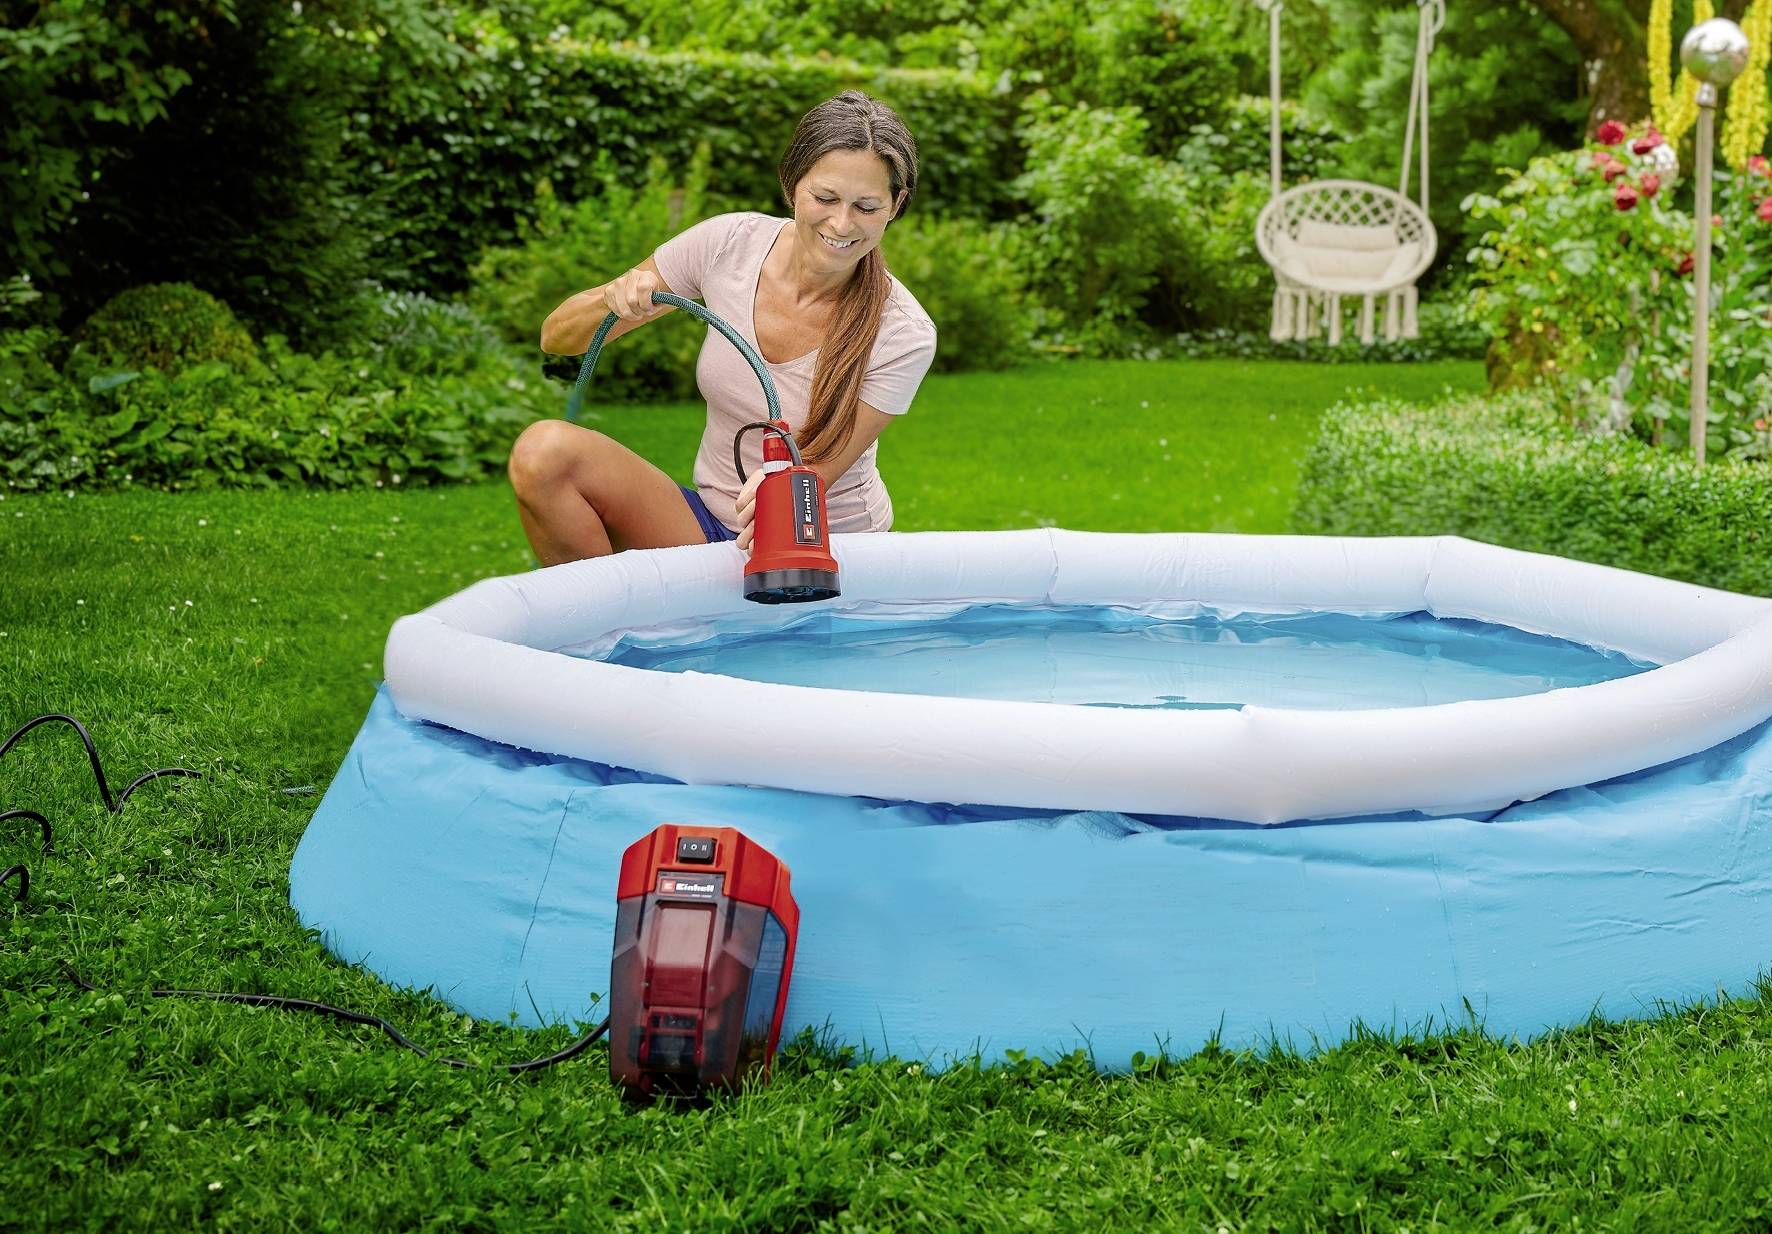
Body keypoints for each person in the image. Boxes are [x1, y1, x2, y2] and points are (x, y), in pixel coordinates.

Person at [513, 90, 938, 566]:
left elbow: (814, 474)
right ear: (791, 185)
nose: (842, 223)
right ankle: (597, 631)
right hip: (711, 522)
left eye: (866, 207)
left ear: (895, 205)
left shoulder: (902, 332)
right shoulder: (728, 244)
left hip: (823, 541)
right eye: (825, 197)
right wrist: (611, 303)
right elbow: (557, 339)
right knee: (543, 453)